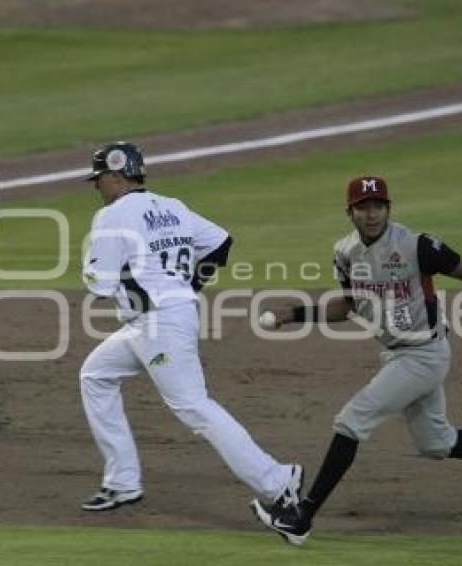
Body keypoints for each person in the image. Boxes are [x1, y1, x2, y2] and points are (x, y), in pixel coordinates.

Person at [250, 176, 462, 545]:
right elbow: (350, 304)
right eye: (364, 208)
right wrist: (297, 314)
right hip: (395, 354)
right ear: (349, 212)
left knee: (352, 420)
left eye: (378, 206)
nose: (372, 215)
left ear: (388, 208)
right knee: (436, 442)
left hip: (425, 354)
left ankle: (302, 517)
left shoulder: (416, 245)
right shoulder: (345, 252)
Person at [78, 141, 302, 512]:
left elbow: (97, 285)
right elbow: (220, 243)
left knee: (193, 406)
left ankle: (277, 480)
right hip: (160, 318)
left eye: (98, 179)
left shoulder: (113, 216)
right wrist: (187, 284)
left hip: (158, 324)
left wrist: (108, 271)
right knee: (95, 375)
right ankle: (122, 482)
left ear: (115, 177)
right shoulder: (172, 206)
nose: (96, 187)